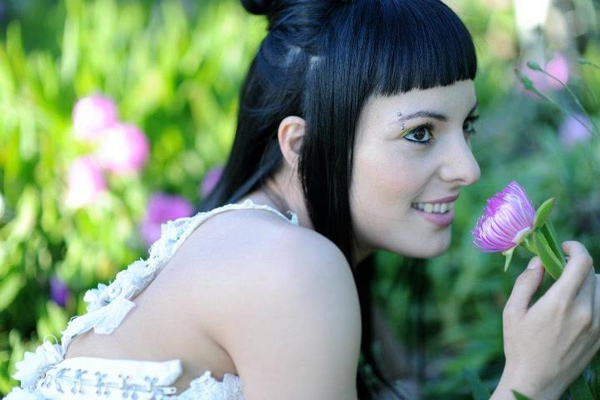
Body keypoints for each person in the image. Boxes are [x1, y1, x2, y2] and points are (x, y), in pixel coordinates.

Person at [7, 0, 599, 399]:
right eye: (421, 133)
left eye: (465, 127)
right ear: (302, 144)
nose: (468, 168)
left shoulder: (273, 245)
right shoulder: (290, 269)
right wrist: (530, 383)